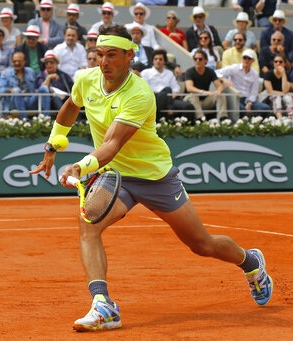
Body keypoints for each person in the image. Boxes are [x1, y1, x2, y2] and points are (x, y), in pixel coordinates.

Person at [30, 25, 273, 332]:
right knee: (89, 224)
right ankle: (103, 304)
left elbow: (112, 144)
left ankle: (250, 262)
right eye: (99, 55)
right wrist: (53, 144)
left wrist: (80, 167)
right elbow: (70, 108)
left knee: (201, 244)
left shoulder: (140, 94)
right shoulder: (86, 79)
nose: (104, 62)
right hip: (115, 176)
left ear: (130, 56)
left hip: (154, 176)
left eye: (112, 55)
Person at [218, 49, 271, 118]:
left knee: (265, 108)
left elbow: (254, 92)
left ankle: (256, 123)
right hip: (235, 98)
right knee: (242, 110)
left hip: (248, 99)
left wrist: (249, 103)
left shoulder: (255, 74)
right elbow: (216, 72)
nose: (246, 60)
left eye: (249, 58)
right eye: (244, 58)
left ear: (253, 61)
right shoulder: (234, 68)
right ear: (242, 59)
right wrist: (224, 79)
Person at [0, 51, 50, 118]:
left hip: (30, 100)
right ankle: (24, 119)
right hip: (14, 102)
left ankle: (46, 118)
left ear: (24, 62)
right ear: (11, 62)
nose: (17, 63)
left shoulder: (30, 71)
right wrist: (10, 90)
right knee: (17, 90)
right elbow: (0, 91)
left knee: (44, 88)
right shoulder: (5, 74)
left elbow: (36, 87)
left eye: (19, 61)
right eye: (14, 61)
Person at [184, 49, 227, 121]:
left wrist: (218, 92)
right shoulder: (189, 72)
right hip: (190, 100)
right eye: (195, 59)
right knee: (193, 95)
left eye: (200, 59)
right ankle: (201, 119)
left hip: (204, 101)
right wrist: (202, 92)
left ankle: (223, 118)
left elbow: (220, 86)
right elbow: (189, 88)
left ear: (205, 61)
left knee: (221, 94)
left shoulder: (210, 71)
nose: (197, 61)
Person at [35, 50, 74, 116]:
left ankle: (78, 122)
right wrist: (49, 78)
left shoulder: (64, 75)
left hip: (65, 100)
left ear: (57, 63)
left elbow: (72, 88)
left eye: (51, 62)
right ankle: (63, 120)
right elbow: (42, 88)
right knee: (56, 98)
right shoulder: (41, 75)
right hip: (48, 102)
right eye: (46, 63)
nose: (49, 65)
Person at [263, 54, 293, 119]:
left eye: (280, 62)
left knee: (288, 98)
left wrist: (283, 74)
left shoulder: (287, 75)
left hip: (283, 95)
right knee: (277, 97)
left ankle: (291, 118)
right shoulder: (268, 74)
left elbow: (285, 90)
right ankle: (280, 118)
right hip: (269, 96)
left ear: (284, 64)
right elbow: (270, 91)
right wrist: (283, 93)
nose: (278, 63)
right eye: (276, 61)